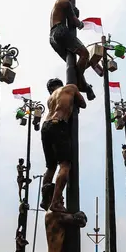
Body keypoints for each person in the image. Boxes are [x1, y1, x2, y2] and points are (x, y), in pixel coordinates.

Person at [40, 78, 86, 212]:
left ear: (50, 89)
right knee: (65, 165)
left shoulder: (50, 99)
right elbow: (83, 104)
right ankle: (55, 201)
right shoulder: (70, 87)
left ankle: (45, 199)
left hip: (46, 126)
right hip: (59, 125)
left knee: (50, 167)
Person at [49, 0, 95, 101]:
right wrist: (81, 24)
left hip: (53, 37)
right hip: (61, 31)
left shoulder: (58, 3)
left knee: (73, 65)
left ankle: (85, 86)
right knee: (84, 54)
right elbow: (74, 20)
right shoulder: (64, 2)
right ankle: (80, 79)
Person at [44, 184, 87, 252]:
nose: (63, 198)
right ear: (51, 197)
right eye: (60, 195)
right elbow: (80, 220)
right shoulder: (54, 214)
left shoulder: (55, 214)